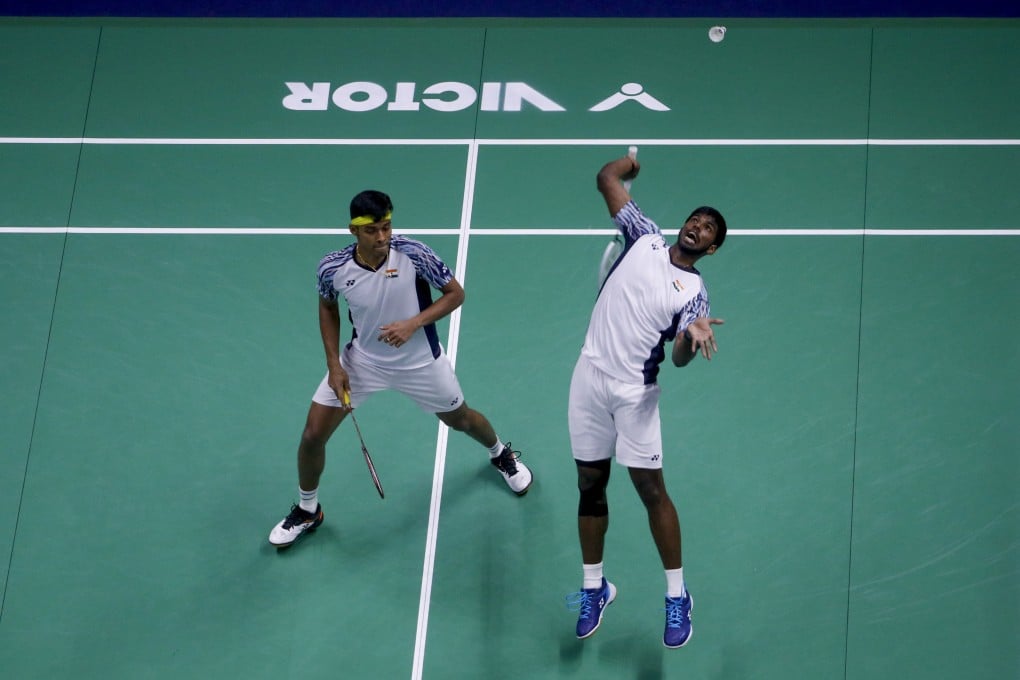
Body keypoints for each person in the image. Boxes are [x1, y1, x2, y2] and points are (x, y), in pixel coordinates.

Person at [269, 190, 533, 548]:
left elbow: (456, 294)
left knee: (461, 419)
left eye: (386, 227)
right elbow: (327, 308)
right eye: (372, 230)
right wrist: (334, 364)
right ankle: (307, 509)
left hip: (421, 363)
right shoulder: (332, 267)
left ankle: (500, 454)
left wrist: (413, 324)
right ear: (353, 231)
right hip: (362, 362)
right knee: (313, 434)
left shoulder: (414, 254)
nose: (381, 237)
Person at [565, 155, 726, 648]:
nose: (698, 225)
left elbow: (677, 360)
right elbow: (605, 179)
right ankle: (596, 587)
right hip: (588, 380)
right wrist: (627, 164)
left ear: (713, 248)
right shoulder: (644, 234)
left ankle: (677, 596)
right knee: (590, 487)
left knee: (652, 493)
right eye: (696, 218)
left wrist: (690, 338)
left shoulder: (694, 295)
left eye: (708, 228)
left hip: (635, 397)